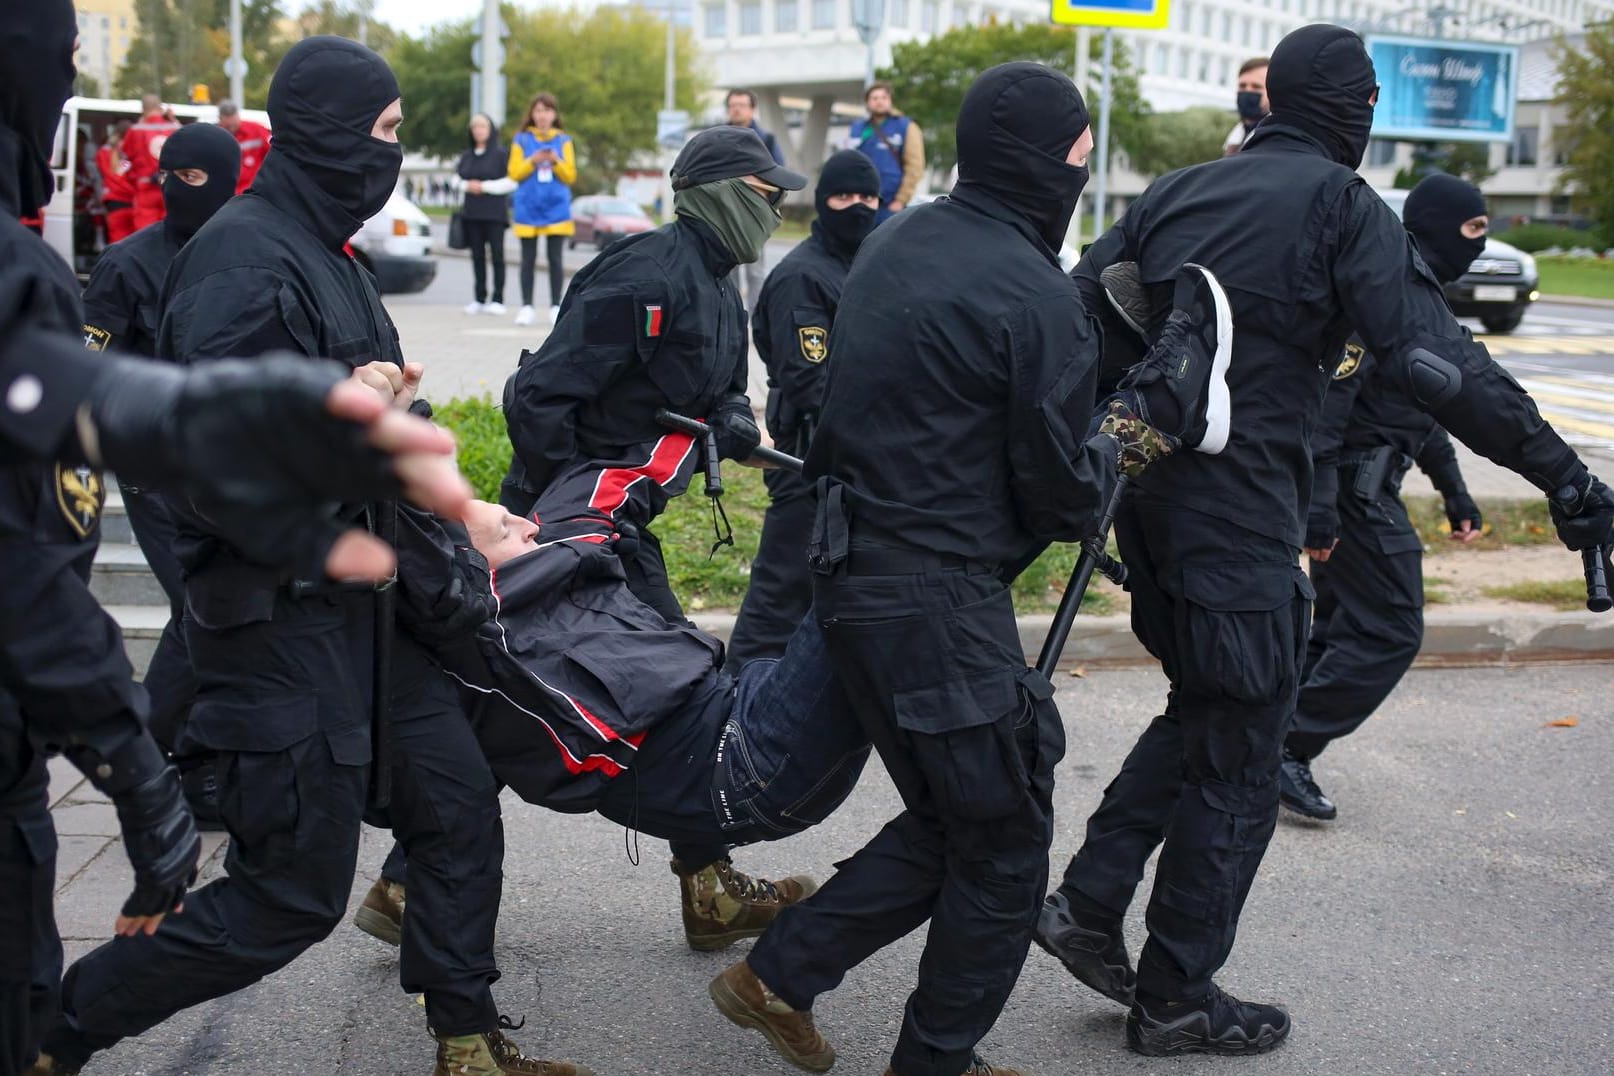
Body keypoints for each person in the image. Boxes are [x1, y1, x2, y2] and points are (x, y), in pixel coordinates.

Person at [1035, 23, 1612, 1059]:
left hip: (1148, 510)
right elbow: (1443, 368)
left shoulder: (1176, 192)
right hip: (1242, 521)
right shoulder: (1345, 207)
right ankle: (1176, 992)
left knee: (1205, 705)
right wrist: (1566, 478)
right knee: (1243, 757)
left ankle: (1086, 900)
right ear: (1353, 111)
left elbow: (1077, 324)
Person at [34, 38, 585, 1076]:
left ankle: (465, 1040)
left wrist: (456, 511)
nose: (393, 152)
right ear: (329, 130)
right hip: (282, 627)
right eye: (383, 132)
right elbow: (213, 474)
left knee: (456, 807)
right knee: (287, 895)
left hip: (373, 613)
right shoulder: (244, 259)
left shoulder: (324, 255)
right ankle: (53, 1033)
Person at [705, 62, 1239, 1076]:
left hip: (852, 580)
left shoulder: (901, 238)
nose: (1083, 176)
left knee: (966, 812)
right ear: (1052, 164)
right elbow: (1060, 497)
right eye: (1081, 159)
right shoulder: (1033, 291)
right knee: (1004, 842)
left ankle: (784, 972)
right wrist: (1132, 427)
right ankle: (923, 1051)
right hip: (934, 602)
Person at [500, 124, 818, 952]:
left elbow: (723, 394)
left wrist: (738, 426)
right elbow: (540, 397)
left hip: (618, 523)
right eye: (764, 191)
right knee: (611, 693)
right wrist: (568, 520)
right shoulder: (644, 271)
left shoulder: (719, 286)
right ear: (716, 191)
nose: (777, 205)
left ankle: (707, 886)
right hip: (565, 527)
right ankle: (408, 880)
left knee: (603, 693)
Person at [1281, 174, 1488, 822]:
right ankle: (1286, 748)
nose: (1482, 243)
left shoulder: (1419, 291)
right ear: (1439, 224)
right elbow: (1332, 398)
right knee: (1392, 629)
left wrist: (1455, 492)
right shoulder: (1385, 287)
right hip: (1352, 496)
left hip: (1364, 488)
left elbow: (1422, 406)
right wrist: (1319, 505)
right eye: (1475, 229)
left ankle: (1264, 749)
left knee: (1335, 634)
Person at [79, 122, 241, 809]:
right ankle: (141, 755)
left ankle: (194, 762)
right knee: (197, 606)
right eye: (167, 175)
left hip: (224, 464)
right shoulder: (126, 265)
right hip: (150, 467)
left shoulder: (240, 253)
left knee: (216, 610)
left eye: (196, 177)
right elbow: (85, 369)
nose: (178, 190)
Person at [725, 150, 881, 669]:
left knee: (834, 606)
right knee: (779, 601)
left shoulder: (863, 265)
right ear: (822, 202)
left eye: (868, 198)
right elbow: (810, 380)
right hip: (808, 463)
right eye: (844, 197)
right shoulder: (804, 277)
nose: (858, 207)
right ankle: (727, 719)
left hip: (853, 462)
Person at [508, 92, 575, 327]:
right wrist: (533, 160)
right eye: (538, 111)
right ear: (532, 114)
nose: (542, 115)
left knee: (555, 259)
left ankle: (556, 306)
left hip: (556, 207)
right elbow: (514, 173)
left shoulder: (564, 140)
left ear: (554, 114)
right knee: (528, 259)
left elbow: (570, 175)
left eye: (547, 110)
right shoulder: (521, 139)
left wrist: (556, 160)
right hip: (528, 206)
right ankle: (526, 307)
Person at [725, 88, 787, 312]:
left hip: (755, 214)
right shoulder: (717, 137)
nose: (737, 109)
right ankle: (731, 318)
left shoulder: (766, 140)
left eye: (742, 104)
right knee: (727, 270)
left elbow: (780, 175)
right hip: (723, 213)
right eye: (733, 105)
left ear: (752, 109)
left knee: (755, 272)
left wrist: (770, 208)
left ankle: (756, 320)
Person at [455, 112, 515, 316]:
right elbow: (456, 180)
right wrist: (466, 185)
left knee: (497, 255)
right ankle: (479, 298)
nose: (478, 131)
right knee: (477, 256)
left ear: (490, 130)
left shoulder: (501, 154)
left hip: (494, 214)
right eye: (475, 127)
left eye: (482, 126)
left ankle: (498, 299)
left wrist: (485, 186)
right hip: (472, 213)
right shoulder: (467, 155)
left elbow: (511, 182)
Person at [847, 81, 924, 225]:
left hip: (890, 205)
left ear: (890, 100)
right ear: (867, 102)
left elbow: (915, 166)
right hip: (860, 203)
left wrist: (901, 200)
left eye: (883, 97)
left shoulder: (906, 126)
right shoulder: (858, 128)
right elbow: (848, 162)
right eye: (874, 98)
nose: (879, 102)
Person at [117, 94, 177, 231]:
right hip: (170, 187)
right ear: (160, 107)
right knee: (171, 230)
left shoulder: (135, 130)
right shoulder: (174, 128)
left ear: (143, 109)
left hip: (145, 188)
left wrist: (123, 176)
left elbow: (125, 162)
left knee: (145, 232)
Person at [216, 99, 271, 194]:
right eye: (227, 123)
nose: (230, 124)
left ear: (237, 115)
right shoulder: (215, 138)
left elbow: (273, 154)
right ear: (220, 119)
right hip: (227, 195)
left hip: (255, 192)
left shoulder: (256, 131)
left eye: (232, 118)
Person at [94, 121, 135, 244]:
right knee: (132, 240)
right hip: (129, 200)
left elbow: (110, 177)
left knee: (117, 239)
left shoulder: (104, 152)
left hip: (114, 201)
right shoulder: (131, 151)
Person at [1223, 56, 1270, 155]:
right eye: (1242, 86)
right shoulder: (1237, 133)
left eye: (1256, 86)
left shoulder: (1275, 138)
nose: (1248, 91)